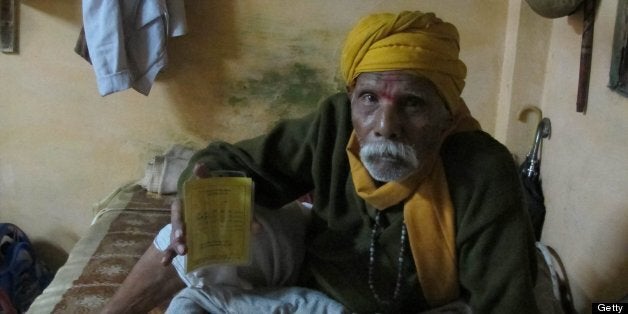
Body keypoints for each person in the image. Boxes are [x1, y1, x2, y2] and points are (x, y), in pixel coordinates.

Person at [101, 10, 539, 313]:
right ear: (351, 101)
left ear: (447, 117)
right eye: (369, 99)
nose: (385, 125)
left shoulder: (482, 170)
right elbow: (228, 161)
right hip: (314, 268)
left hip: (422, 305)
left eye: (412, 105)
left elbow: (504, 303)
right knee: (193, 231)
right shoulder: (333, 122)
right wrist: (196, 194)